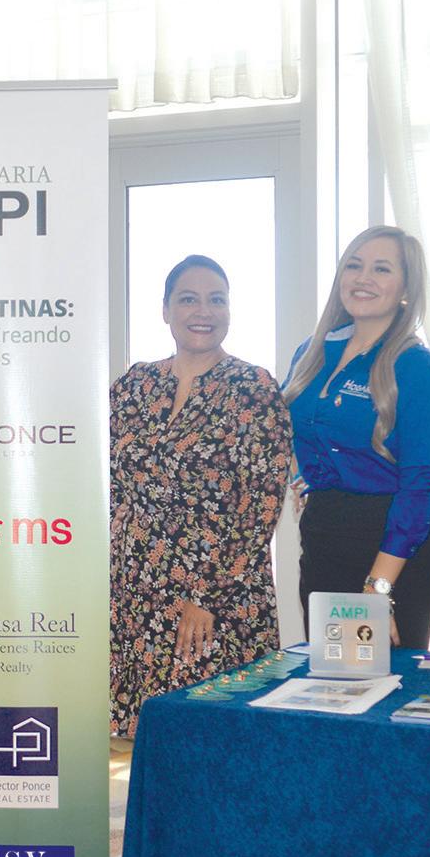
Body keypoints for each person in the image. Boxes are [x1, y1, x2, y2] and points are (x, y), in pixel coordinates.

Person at [110, 254, 292, 738]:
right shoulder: (134, 385)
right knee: (147, 734)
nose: (203, 311)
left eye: (217, 300)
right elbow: (109, 484)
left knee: (211, 734)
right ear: (165, 310)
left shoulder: (253, 387)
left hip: (217, 591)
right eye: (188, 299)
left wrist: (205, 595)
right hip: (137, 589)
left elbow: (261, 506)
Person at [282, 226, 430, 649]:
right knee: (329, 677)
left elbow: (418, 488)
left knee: (380, 680)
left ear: (406, 288)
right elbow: (287, 429)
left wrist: (378, 589)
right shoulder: (312, 351)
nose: (363, 278)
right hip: (325, 538)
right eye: (354, 266)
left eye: (381, 269)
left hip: (391, 549)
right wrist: (305, 480)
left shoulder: (418, 369)